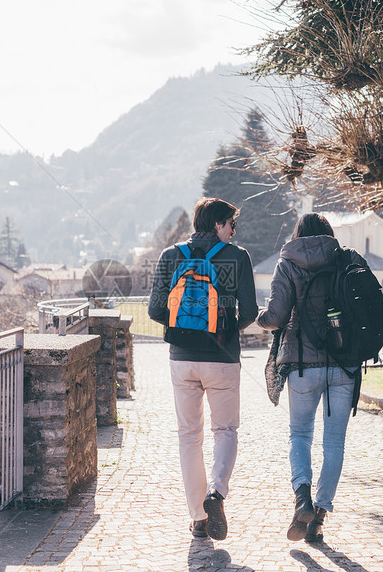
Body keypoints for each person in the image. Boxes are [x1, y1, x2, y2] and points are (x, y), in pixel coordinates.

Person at [148, 197, 258, 541]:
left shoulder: (171, 255)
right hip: (222, 358)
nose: (233, 231)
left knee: (188, 436)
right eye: (231, 224)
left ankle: (198, 518)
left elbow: (154, 310)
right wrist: (222, 330)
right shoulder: (238, 257)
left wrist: (186, 326)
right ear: (217, 224)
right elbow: (251, 312)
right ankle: (216, 493)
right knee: (225, 429)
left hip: (182, 358)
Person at [256, 212, 367, 543]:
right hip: (344, 363)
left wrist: (259, 317)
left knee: (300, 435)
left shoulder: (288, 262)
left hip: (303, 365)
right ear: (328, 233)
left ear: (298, 233)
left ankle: (301, 497)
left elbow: (275, 317)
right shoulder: (344, 259)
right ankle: (318, 517)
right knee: (334, 442)